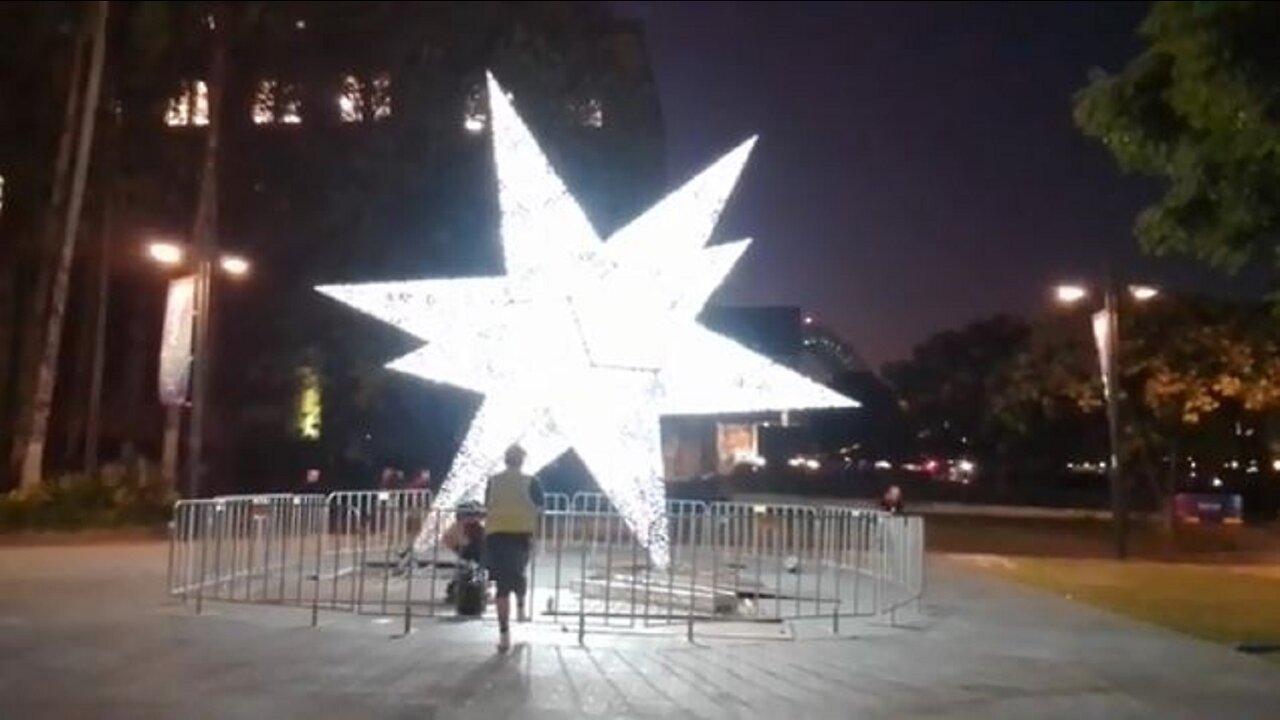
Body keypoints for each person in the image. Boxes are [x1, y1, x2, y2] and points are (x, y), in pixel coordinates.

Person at [484, 444, 544, 651]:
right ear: (523, 460)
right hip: (521, 536)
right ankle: (520, 606)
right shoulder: (531, 481)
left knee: (501, 586)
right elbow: (540, 508)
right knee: (518, 574)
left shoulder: (493, 481)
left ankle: (504, 634)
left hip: (496, 536)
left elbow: (487, 505)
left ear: (505, 459)